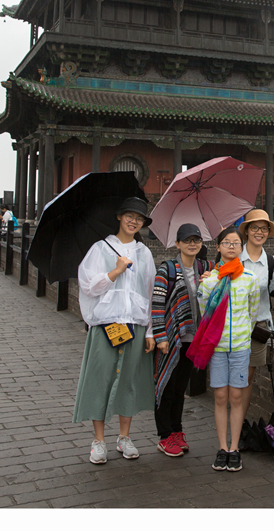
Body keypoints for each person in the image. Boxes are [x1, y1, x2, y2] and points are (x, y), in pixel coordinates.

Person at [73, 197, 157, 464]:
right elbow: (88, 285)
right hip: (107, 324)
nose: (134, 221)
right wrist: (115, 272)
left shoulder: (144, 253)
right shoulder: (101, 248)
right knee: (100, 380)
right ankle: (98, 440)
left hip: (134, 325)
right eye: (129, 216)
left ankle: (124, 437)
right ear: (119, 217)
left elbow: (149, 292)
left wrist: (150, 331)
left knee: (128, 382)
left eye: (139, 218)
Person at [196, 227, 258, 472]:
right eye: (227, 243)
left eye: (236, 243)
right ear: (218, 247)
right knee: (221, 397)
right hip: (218, 347)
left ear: (241, 248)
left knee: (236, 397)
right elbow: (205, 315)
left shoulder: (250, 278)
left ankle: (235, 448)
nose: (232, 247)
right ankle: (222, 447)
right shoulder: (210, 281)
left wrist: (242, 334)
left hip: (241, 346)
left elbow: (252, 313)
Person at [151, 223, 211, 458]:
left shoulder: (204, 267)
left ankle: (177, 430)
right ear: (177, 244)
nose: (192, 244)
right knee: (166, 386)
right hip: (171, 338)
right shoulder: (166, 269)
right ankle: (164, 436)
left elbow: (229, 271)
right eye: (187, 240)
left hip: (192, 340)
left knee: (180, 388)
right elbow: (157, 304)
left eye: (196, 240)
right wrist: (160, 336)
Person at [237, 209, 274, 419]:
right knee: (232, 378)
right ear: (247, 231)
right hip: (232, 327)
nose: (259, 232)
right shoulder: (234, 258)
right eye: (254, 228)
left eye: (263, 228)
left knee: (247, 377)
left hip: (257, 328)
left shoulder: (272, 262)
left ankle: (239, 423)